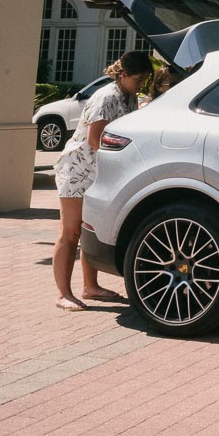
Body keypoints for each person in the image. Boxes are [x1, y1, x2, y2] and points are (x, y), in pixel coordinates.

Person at [53, 50, 152, 310]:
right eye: (138, 79)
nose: (140, 84)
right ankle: (63, 294)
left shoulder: (128, 97)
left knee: (88, 229)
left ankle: (90, 287)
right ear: (124, 74)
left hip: (97, 172)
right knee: (70, 232)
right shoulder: (106, 97)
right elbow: (95, 140)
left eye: (144, 80)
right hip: (77, 170)